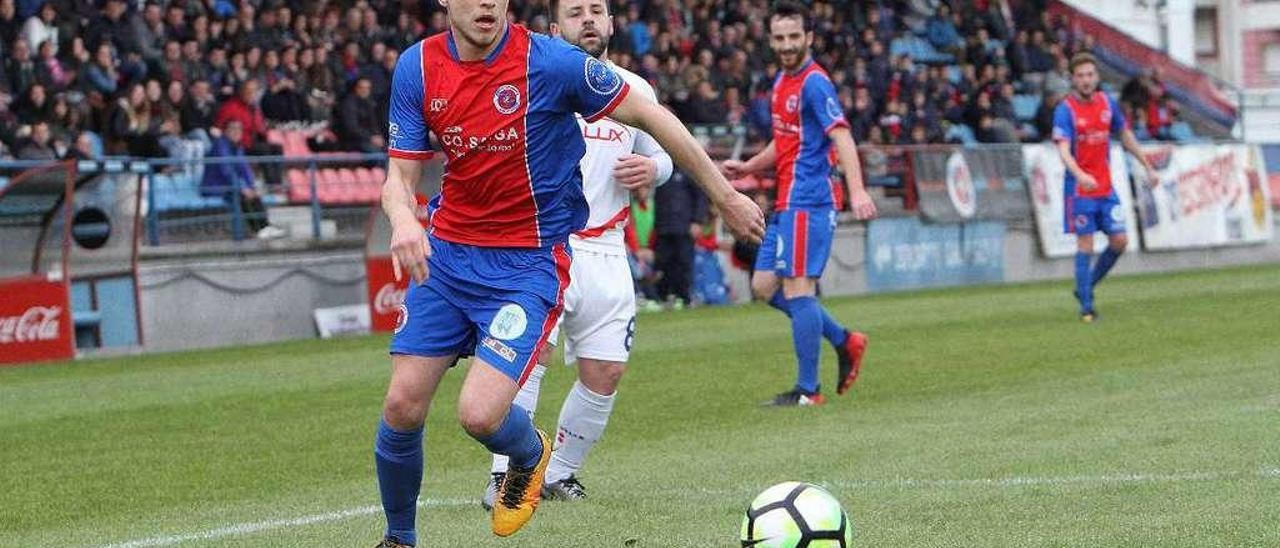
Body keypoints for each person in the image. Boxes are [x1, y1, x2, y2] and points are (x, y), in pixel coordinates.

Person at [374, 0, 764, 545]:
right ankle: (399, 538)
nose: (488, 3)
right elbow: (400, 173)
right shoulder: (417, 66)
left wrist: (723, 197)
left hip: (525, 264)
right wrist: (402, 220)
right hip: (448, 255)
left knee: (480, 416)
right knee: (401, 404)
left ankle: (532, 454)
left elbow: (652, 115)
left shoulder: (552, 63)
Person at [479, 0, 675, 508]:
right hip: (543, 245)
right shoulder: (535, 83)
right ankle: (504, 476)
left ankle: (558, 474)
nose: (588, 20)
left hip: (609, 251)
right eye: (575, 13)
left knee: (605, 372)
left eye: (596, 11)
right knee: (528, 358)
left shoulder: (636, 90)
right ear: (553, 28)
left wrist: (654, 171)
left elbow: (665, 155)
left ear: (610, 23)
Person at [722, 1, 877, 407]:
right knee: (762, 286)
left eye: (795, 37)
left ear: (809, 37)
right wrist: (750, 166)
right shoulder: (781, 83)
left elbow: (841, 136)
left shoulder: (814, 83)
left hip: (810, 200)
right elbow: (785, 140)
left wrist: (858, 191)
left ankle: (809, 390)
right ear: (771, 39)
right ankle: (845, 340)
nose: (788, 45)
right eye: (780, 38)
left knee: (798, 287)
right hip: (786, 198)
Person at [1052, 53, 1158, 323]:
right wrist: (1080, 175)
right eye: (1080, 76)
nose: (1086, 80)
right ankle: (1087, 308)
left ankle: (1084, 286)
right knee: (1085, 243)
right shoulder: (1066, 110)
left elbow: (1124, 135)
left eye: (1090, 75)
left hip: (1105, 188)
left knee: (1120, 241)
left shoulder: (1107, 103)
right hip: (1079, 190)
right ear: (1073, 79)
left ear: (1096, 77)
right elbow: (1063, 151)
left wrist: (1147, 165)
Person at [200, 119, 284, 239]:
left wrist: (251, 186)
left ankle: (265, 226)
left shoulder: (238, 147)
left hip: (229, 186)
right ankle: (257, 229)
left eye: (239, 129)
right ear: (226, 131)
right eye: (233, 129)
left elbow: (245, 169)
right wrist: (242, 187)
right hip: (215, 186)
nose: (236, 132)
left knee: (254, 195)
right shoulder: (220, 145)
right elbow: (226, 171)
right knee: (242, 195)